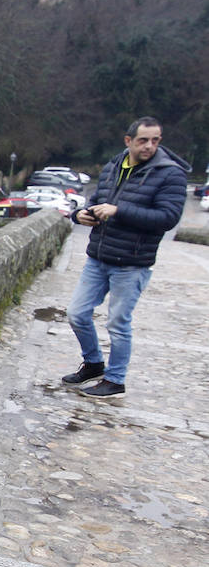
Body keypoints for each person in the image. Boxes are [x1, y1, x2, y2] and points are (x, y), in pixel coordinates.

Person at [61, 116, 189, 399]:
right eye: (143, 140)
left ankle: (115, 379)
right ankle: (94, 364)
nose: (149, 146)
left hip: (132, 263)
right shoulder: (114, 166)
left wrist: (118, 210)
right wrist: (80, 214)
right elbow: (97, 200)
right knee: (77, 313)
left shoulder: (170, 174)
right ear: (128, 141)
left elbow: (167, 218)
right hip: (99, 257)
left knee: (118, 322)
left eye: (155, 140)